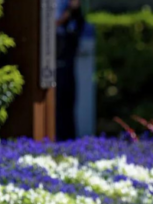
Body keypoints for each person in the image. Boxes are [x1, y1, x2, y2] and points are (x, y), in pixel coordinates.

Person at [56, 0, 85, 141]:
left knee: (68, 103)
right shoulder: (61, 12)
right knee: (58, 106)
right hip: (56, 68)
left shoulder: (76, 17)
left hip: (68, 66)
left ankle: (69, 140)